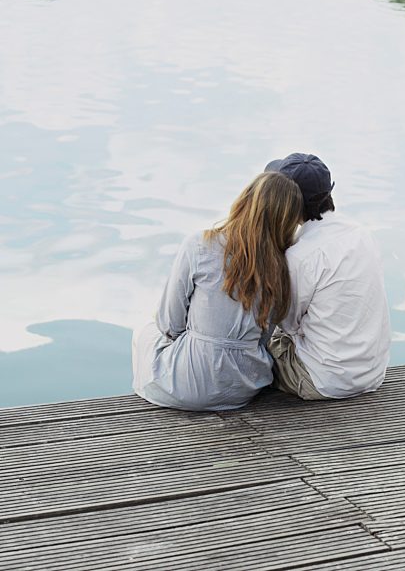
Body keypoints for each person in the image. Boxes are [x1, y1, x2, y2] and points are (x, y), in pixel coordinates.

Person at [132, 172, 303, 411]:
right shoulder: (283, 267)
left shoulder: (199, 244)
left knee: (144, 331)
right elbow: (263, 339)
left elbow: (169, 324)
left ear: (245, 200)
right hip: (243, 389)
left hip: (188, 387)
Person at [265, 153, 391, 400]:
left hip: (324, 380)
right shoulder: (361, 234)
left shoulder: (300, 256)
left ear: (288, 202)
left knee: (254, 350)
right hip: (373, 372)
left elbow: (287, 324)